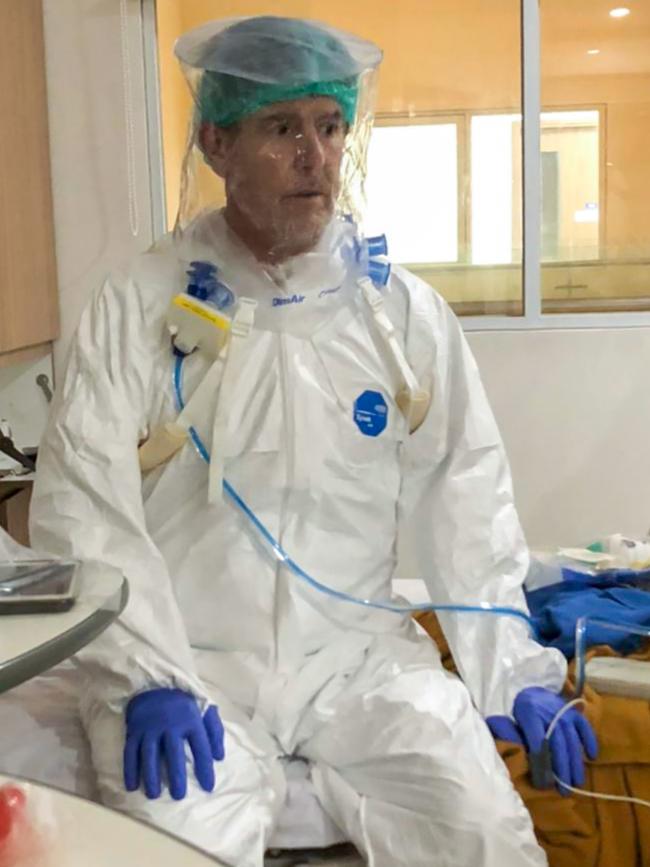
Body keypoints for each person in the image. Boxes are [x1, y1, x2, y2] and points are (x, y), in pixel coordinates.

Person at [29, 15, 596, 867]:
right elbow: (85, 505)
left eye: (329, 126)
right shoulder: (136, 305)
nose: (315, 155)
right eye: (281, 127)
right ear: (216, 143)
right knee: (169, 848)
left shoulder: (397, 313)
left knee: (484, 830)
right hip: (195, 663)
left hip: (359, 660)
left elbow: (465, 494)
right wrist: (143, 674)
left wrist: (510, 666)